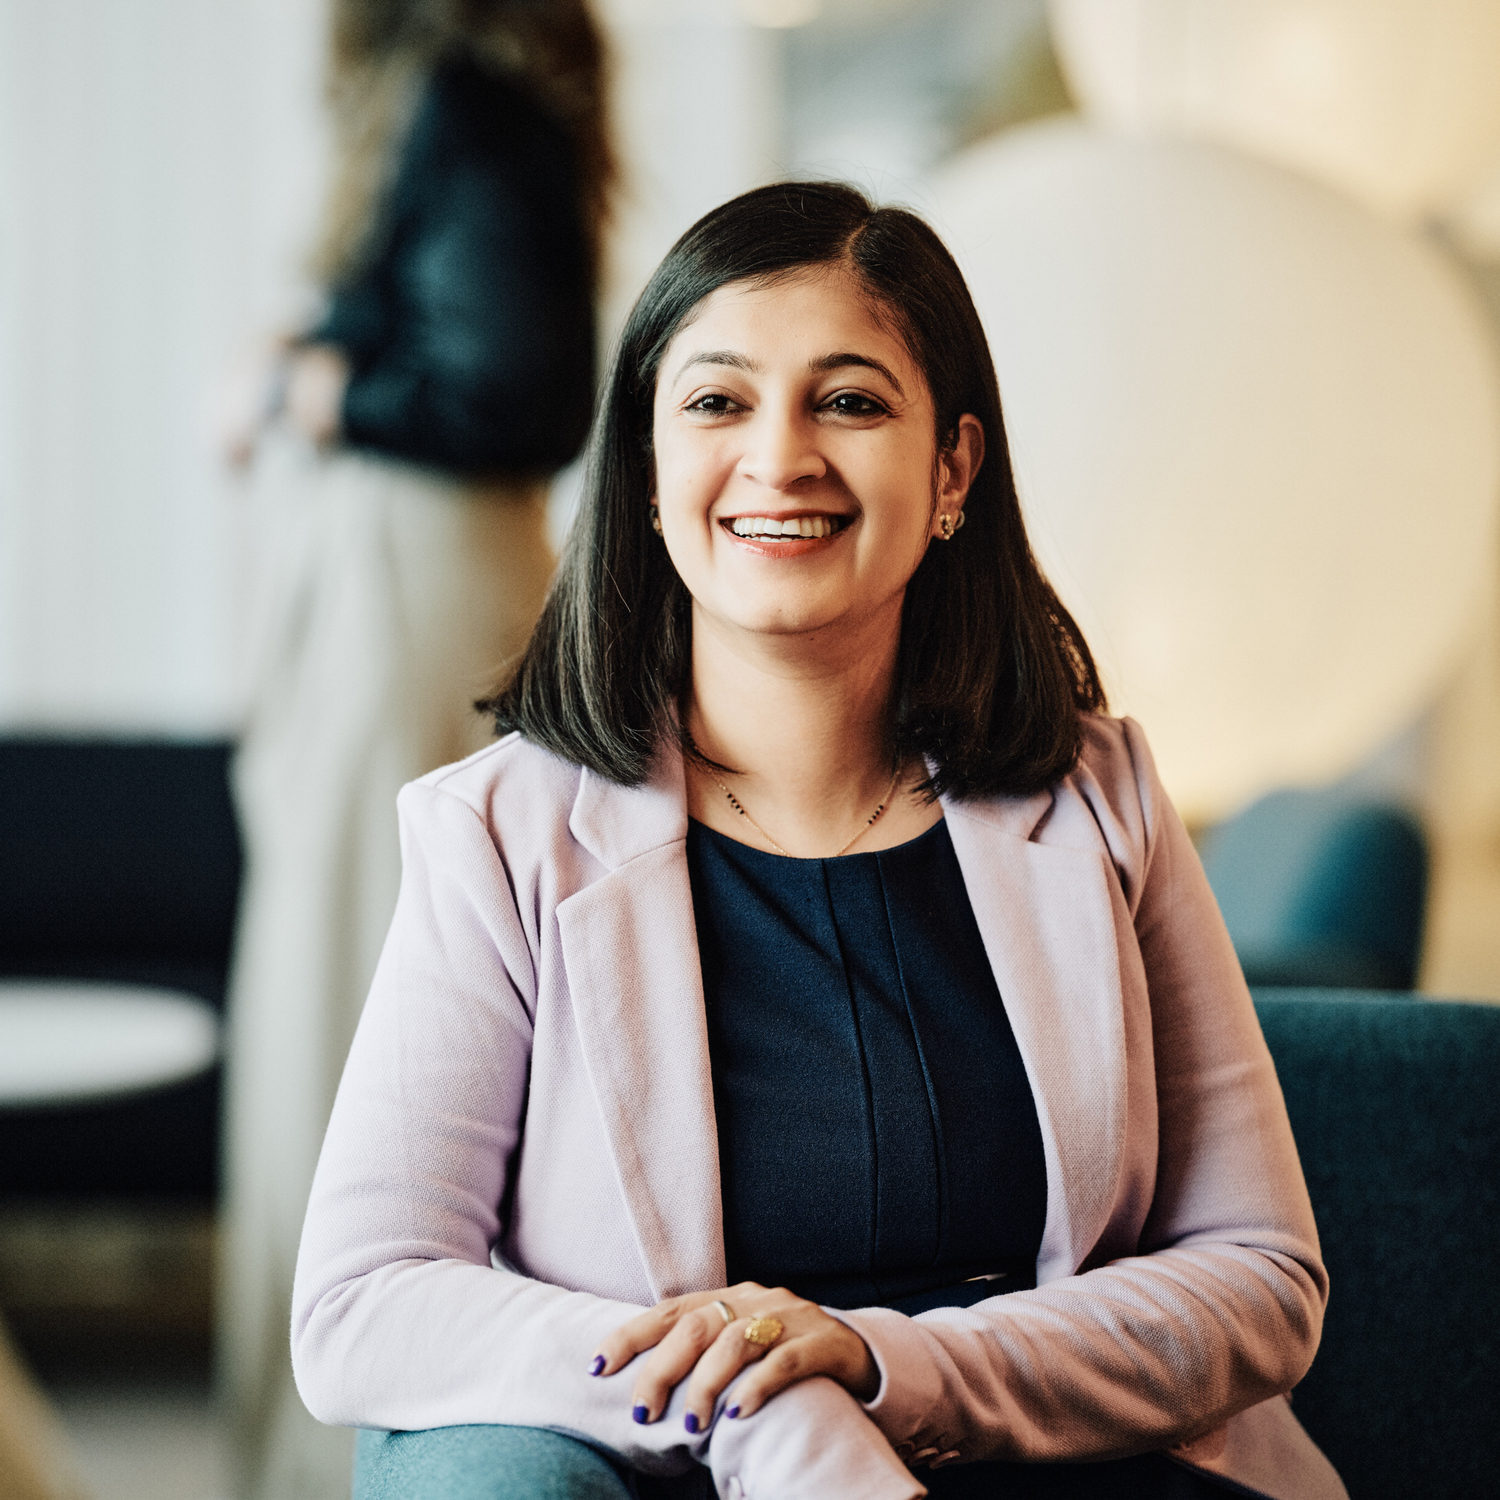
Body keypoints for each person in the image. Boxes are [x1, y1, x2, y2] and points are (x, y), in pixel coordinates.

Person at [290, 181, 1347, 1500]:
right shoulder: (499, 836)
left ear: (952, 469)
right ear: (649, 469)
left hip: (1066, 1460)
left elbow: (1262, 1274)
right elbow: (363, 1303)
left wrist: (880, 1363)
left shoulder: (1100, 792)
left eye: (849, 401)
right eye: (719, 402)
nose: (780, 456)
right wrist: (767, 1413)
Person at [218, 3, 612, 1494]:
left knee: (362, 1016)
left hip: (414, 591)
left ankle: (353, 1450)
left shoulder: (466, 100)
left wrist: (307, 390)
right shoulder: (483, 99)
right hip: (406, 577)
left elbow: (519, 387)